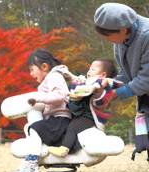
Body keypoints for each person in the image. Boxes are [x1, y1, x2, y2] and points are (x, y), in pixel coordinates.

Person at [94, 2, 149, 161]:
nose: (106, 39)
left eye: (108, 35)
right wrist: (110, 87)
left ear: (124, 29)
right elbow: (126, 72)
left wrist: (116, 94)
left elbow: (146, 78)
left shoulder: (146, 35)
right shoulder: (120, 40)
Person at [11, 49, 73, 172]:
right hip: (54, 120)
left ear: (44, 67)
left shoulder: (53, 76)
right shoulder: (49, 79)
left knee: (35, 128)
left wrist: (38, 97)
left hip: (60, 119)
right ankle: (35, 155)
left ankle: (32, 161)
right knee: (29, 127)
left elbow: (60, 96)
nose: (30, 73)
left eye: (32, 69)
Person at [48, 58, 123, 157]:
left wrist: (98, 90)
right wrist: (67, 73)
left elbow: (100, 101)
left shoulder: (103, 86)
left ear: (103, 74)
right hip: (82, 113)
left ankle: (64, 149)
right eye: (89, 68)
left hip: (89, 116)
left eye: (93, 69)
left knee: (71, 129)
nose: (89, 71)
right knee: (68, 127)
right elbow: (77, 80)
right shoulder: (87, 81)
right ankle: (66, 146)